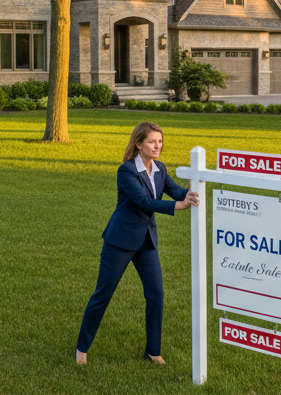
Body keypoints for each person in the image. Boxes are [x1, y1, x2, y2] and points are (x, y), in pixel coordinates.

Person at [75, 121, 199, 365]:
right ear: (138, 143)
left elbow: (176, 191)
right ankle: (81, 349)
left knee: (156, 295)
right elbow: (144, 202)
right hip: (120, 241)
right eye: (152, 141)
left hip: (146, 242)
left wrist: (193, 189)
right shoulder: (127, 171)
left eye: (160, 141)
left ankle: (153, 352)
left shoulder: (160, 169)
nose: (158, 146)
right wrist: (179, 205)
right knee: (103, 295)